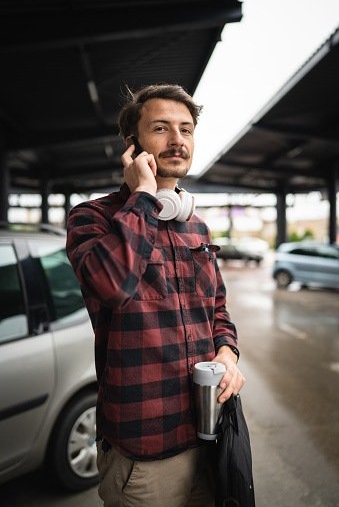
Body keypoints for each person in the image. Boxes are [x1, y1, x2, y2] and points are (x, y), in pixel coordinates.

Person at [66, 84, 245, 507]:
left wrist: (227, 354)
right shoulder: (92, 218)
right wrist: (144, 196)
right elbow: (111, 285)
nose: (177, 139)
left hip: (210, 439)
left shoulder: (196, 226)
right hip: (144, 454)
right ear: (133, 145)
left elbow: (217, 310)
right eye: (161, 128)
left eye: (186, 129)